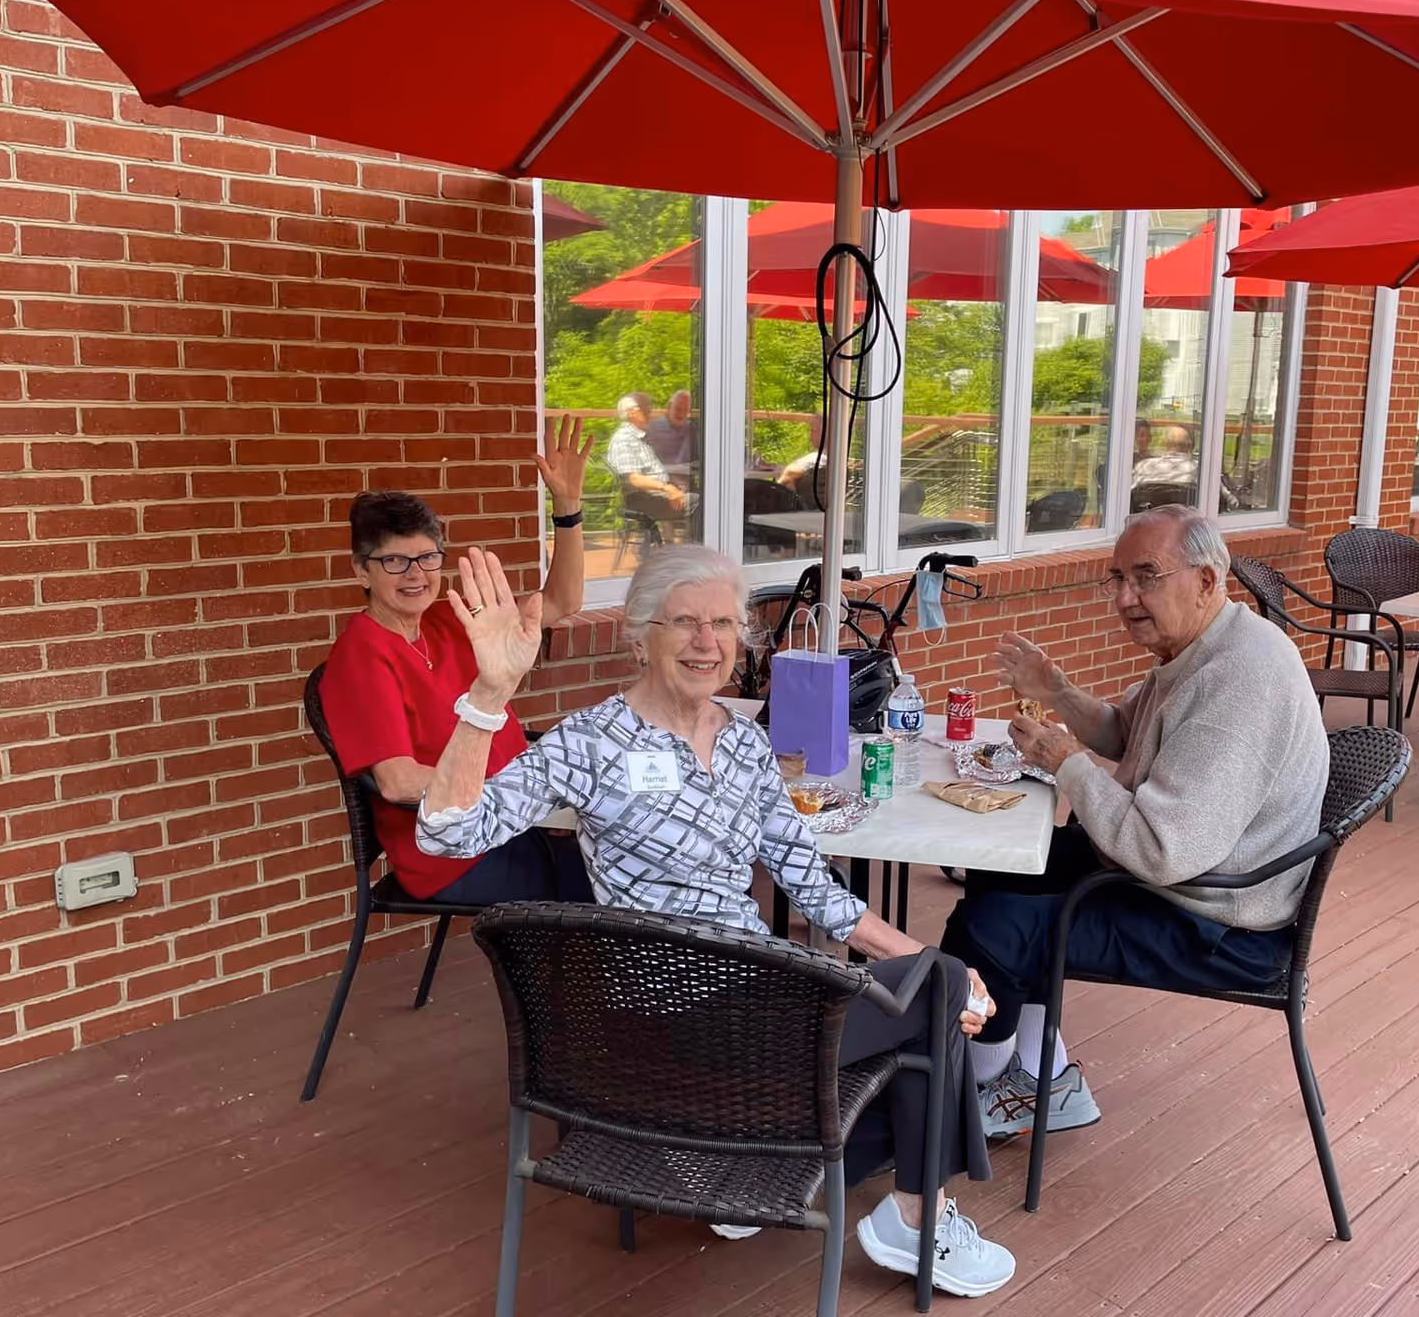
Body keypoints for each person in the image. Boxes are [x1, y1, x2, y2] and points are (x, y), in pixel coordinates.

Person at [414, 544, 1017, 1299]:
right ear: (641, 636)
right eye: (686, 623)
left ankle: (766, 1166)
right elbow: (445, 835)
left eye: (725, 625)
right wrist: (488, 695)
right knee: (934, 1003)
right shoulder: (591, 741)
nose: (707, 642)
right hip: (670, 1023)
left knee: (933, 987)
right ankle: (910, 1218)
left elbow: (815, 890)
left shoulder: (742, 743)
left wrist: (926, 959)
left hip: (764, 1004)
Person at [941, 507, 1329, 1139]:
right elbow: (1128, 734)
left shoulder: (1239, 681)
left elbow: (1161, 848)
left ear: (1207, 580)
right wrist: (1060, 691)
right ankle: (1043, 1080)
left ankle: (964, 1098)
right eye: (1116, 578)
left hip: (1218, 923)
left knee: (992, 930)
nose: (1125, 598)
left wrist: (1068, 764)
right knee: (1003, 866)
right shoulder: (1204, 645)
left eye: (1146, 576)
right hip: (1187, 879)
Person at [316, 416, 594, 904]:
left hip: (516, 822)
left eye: (427, 558)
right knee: (609, 881)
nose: (415, 575)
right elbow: (399, 782)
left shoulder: (452, 620)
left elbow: (563, 601)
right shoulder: (361, 656)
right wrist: (522, 792)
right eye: (393, 561)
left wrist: (567, 511)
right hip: (453, 851)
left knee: (634, 851)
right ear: (361, 569)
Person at [606, 392, 690, 517]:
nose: (650, 414)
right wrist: (667, 488)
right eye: (645, 410)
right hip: (647, 499)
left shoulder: (638, 437)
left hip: (658, 493)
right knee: (706, 503)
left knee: (706, 495)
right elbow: (634, 479)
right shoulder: (624, 439)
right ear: (631, 413)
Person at [647, 389, 695, 472]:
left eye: (686, 410)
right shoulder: (653, 428)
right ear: (669, 407)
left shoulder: (692, 429)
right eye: (678, 409)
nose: (681, 414)